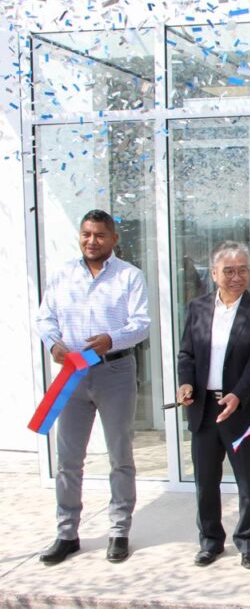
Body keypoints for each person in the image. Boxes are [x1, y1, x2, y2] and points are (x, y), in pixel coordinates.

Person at [36, 209, 151, 565]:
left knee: (120, 455)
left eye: (100, 235)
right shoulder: (62, 275)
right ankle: (66, 534)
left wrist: (111, 339)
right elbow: (45, 317)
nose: (92, 241)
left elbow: (141, 324)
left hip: (114, 371)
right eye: (86, 234)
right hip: (73, 374)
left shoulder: (129, 276)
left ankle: (119, 531)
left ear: (114, 238)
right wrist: (53, 343)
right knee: (69, 459)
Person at [176, 241, 250, 570]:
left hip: (241, 408)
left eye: (243, 270)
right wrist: (186, 383)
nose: (237, 277)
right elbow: (187, 353)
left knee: (248, 481)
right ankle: (210, 541)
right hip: (204, 408)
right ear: (214, 273)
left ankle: (249, 542)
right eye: (229, 271)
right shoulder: (197, 308)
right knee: (205, 481)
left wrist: (238, 394)